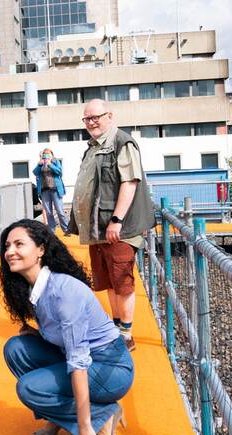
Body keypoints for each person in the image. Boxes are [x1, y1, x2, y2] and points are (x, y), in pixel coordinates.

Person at [0, 219, 134, 435]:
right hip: (89, 361)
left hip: (110, 368)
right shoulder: (37, 288)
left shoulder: (63, 292)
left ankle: (102, 415)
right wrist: (38, 335)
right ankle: (59, 418)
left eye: (19, 244)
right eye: (7, 245)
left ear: (40, 249)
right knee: (16, 348)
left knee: (29, 388)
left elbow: (78, 362)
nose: (10, 252)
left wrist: (84, 427)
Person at [69, 99, 154, 351]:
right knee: (107, 280)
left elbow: (130, 182)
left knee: (122, 280)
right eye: (87, 119)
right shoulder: (93, 147)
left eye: (96, 117)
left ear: (109, 116)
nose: (92, 122)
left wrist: (116, 220)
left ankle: (126, 335)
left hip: (118, 228)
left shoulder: (121, 143)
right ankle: (116, 329)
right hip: (99, 229)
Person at [33, 149, 70, 235]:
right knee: (49, 212)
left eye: (48, 154)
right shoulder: (41, 163)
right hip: (44, 190)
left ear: (52, 154)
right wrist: (39, 165)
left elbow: (59, 172)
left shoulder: (55, 161)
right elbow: (35, 172)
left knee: (60, 211)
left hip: (55, 189)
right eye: (44, 154)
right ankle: (52, 231)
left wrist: (50, 164)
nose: (46, 156)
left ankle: (66, 230)